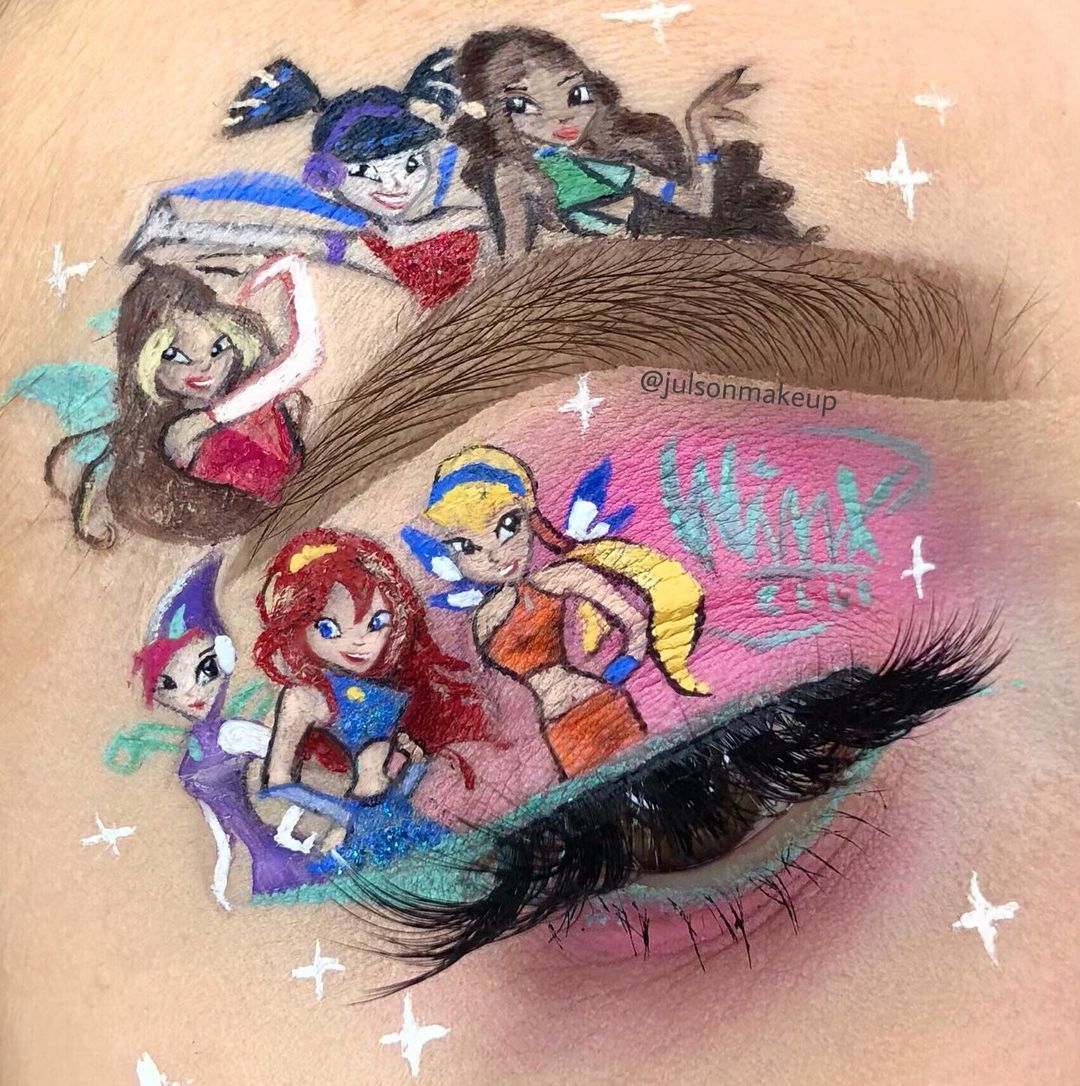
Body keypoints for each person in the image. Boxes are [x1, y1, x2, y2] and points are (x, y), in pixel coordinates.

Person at [403, 445, 707, 777]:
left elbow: (634, 622)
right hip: (554, 726)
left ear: (528, 517)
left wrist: (625, 664)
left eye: (508, 525)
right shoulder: (482, 620)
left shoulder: (561, 577)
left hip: (598, 704)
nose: (494, 556)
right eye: (467, 547)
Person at [123, 51, 488, 308]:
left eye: (410, 165)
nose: (395, 186)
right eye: (364, 173)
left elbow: (499, 217)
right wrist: (177, 229)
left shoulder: (457, 219)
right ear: (329, 177)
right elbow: (282, 237)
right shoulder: (367, 247)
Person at [253, 528, 497, 872]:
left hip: (402, 811)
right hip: (358, 820)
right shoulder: (305, 699)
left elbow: (403, 770)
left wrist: (413, 768)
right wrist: (348, 814)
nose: (359, 643)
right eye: (328, 628)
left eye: (376, 623)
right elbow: (277, 781)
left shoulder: (397, 684)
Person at [451, 27, 815, 253]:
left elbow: (699, 207)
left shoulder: (619, 168)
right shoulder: (514, 175)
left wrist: (697, 127)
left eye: (576, 95)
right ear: (491, 112)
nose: (561, 116)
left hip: (666, 258)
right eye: (524, 104)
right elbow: (514, 260)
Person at [47, 252, 320, 546]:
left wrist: (294, 271)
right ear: (146, 364)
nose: (204, 367)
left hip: (306, 505)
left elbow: (302, 361)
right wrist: (292, 270)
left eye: (218, 348)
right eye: (175, 356)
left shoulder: (254, 397)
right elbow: (303, 359)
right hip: (273, 533)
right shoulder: (182, 432)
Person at [129, 552, 327, 905]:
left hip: (282, 852)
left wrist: (290, 829)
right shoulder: (189, 760)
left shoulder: (233, 734)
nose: (189, 694)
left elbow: (288, 770)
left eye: (205, 669)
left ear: (225, 657)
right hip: (261, 862)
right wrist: (219, 883)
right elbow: (222, 835)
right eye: (168, 685)